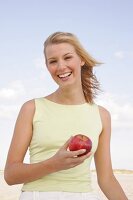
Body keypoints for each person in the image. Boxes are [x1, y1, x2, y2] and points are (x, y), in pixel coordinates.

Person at [4, 31, 128, 200]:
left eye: (68, 57)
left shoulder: (102, 115)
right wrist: (53, 164)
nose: (61, 66)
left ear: (81, 60)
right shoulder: (32, 108)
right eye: (53, 61)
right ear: (47, 67)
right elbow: (10, 175)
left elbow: (106, 179)